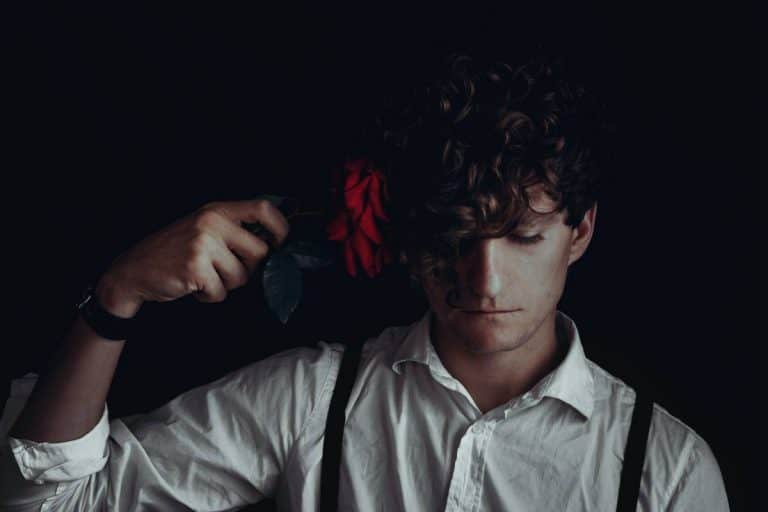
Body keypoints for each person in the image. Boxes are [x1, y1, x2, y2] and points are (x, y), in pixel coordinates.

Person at [0, 52, 730, 511]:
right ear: (408, 245)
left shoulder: (663, 470)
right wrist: (115, 299)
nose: (483, 278)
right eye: (454, 240)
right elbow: (57, 502)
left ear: (582, 231)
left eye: (523, 237)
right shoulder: (313, 399)